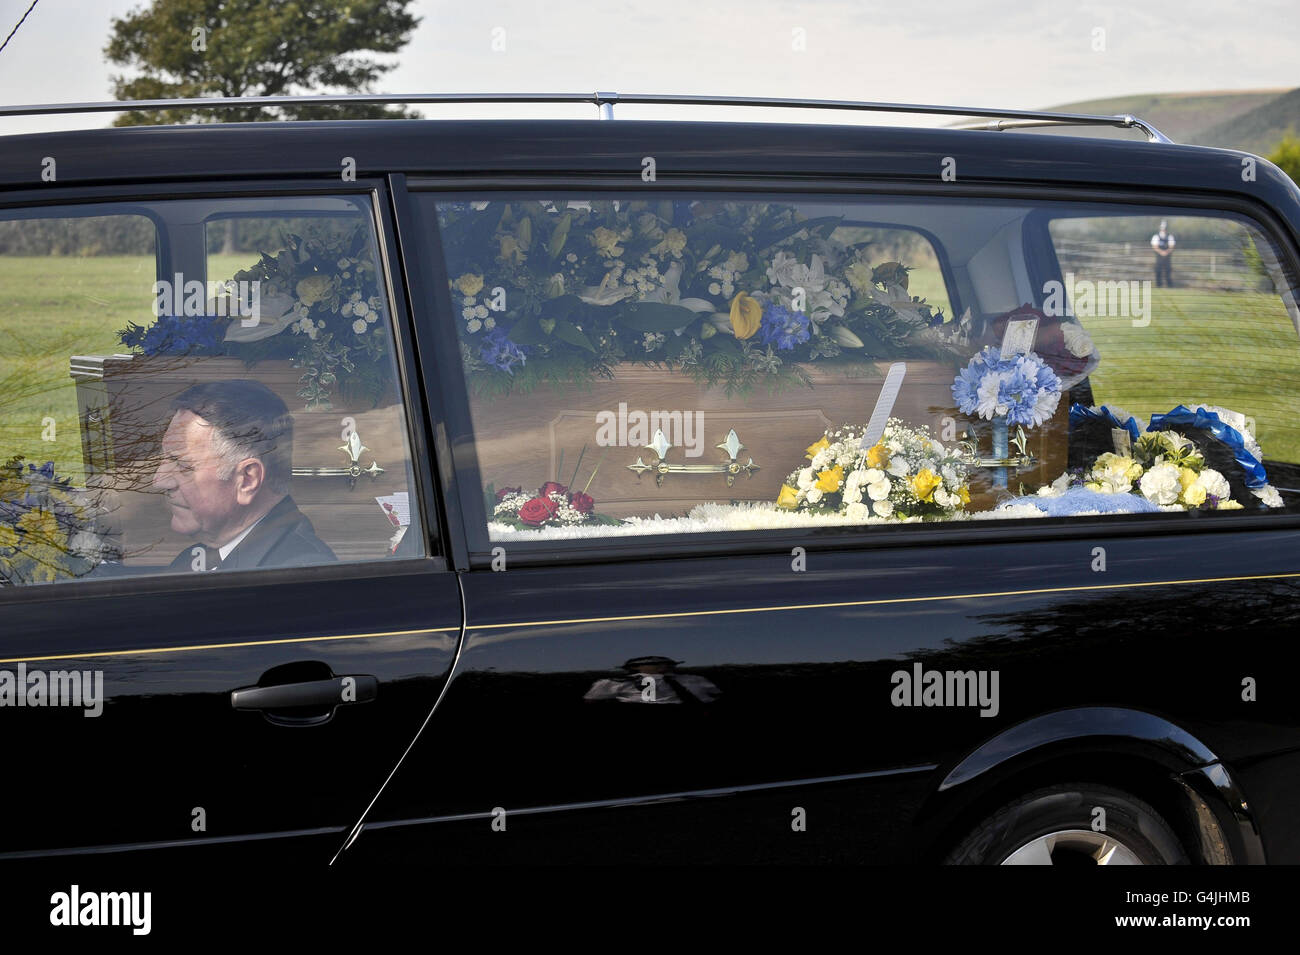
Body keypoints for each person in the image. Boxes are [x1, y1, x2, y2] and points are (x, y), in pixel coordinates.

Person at [151, 379, 336, 572]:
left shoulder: (299, 576)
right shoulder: (193, 560)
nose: (159, 481)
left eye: (182, 466)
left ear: (247, 480)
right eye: (163, 461)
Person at [1151, 219, 1175, 287]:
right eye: (1162, 228)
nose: (1163, 229)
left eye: (1165, 228)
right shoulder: (1156, 237)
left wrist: (1166, 252)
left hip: (1167, 257)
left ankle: (1169, 286)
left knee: (1168, 271)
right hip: (1159, 257)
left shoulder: (1170, 236)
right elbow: (1155, 246)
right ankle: (1158, 285)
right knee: (1158, 271)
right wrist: (1161, 252)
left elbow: (1171, 246)